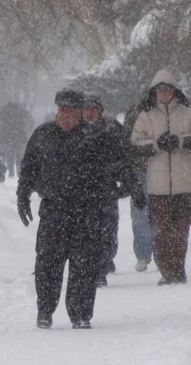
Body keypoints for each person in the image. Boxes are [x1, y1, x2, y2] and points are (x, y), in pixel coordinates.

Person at [17, 90, 145, 330]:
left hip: (88, 211)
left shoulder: (97, 137)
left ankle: (81, 314)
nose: (65, 115)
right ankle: (45, 310)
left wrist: (133, 187)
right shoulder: (43, 135)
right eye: (62, 110)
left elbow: (119, 163)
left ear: (80, 113)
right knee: (47, 264)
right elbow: (29, 168)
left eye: (71, 111)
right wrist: (22, 196)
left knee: (84, 266)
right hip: (54, 210)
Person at [131, 69, 191, 285]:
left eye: (168, 90)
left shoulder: (187, 112)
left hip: (184, 182)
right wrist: (156, 145)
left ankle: (178, 268)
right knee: (163, 230)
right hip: (158, 185)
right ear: (154, 93)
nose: (164, 94)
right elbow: (135, 142)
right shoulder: (146, 116)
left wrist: (181, 141)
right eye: (160, 91)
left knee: (181, 229)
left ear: (175, 92)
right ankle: (167, 271)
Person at [82, 93, 130, 286]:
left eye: (93, 109)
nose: (90, 113)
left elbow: (124, 155)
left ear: (100, 111)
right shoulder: (77, 129)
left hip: (106, 187)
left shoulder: (111, 128)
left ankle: (105, 259)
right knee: (88, 230)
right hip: (83, 189)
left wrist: (125, 181)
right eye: (86, 109)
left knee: (108, 227)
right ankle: (95, 267)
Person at [123, 97, 155, 272]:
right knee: (146, 214)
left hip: (154, 170)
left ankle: (149, 255)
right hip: (144, 170)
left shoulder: (134, 113)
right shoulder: (137, 114)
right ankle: (148, 254)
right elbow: (128, 143)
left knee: (145, 215)